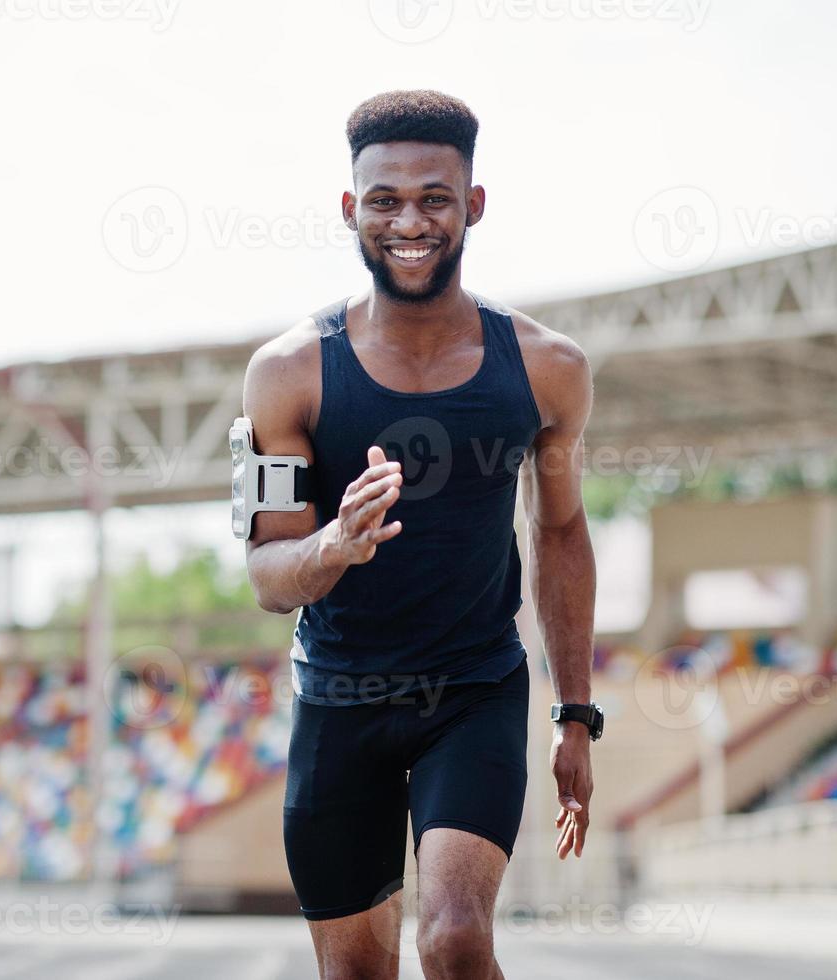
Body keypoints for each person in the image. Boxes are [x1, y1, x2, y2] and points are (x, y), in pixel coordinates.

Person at [241, 90, 598, 979]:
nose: (410, 221)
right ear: (349, 210)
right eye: (384, 200)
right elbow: (265, 575)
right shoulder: (286, 375)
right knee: (359, 972)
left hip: (471, 694)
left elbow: (559, 533)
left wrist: (575, 718)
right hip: (338, 702)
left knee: (454, 937)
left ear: (472, 206)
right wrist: (332, 546)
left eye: (435, 198)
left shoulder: (546, 369)